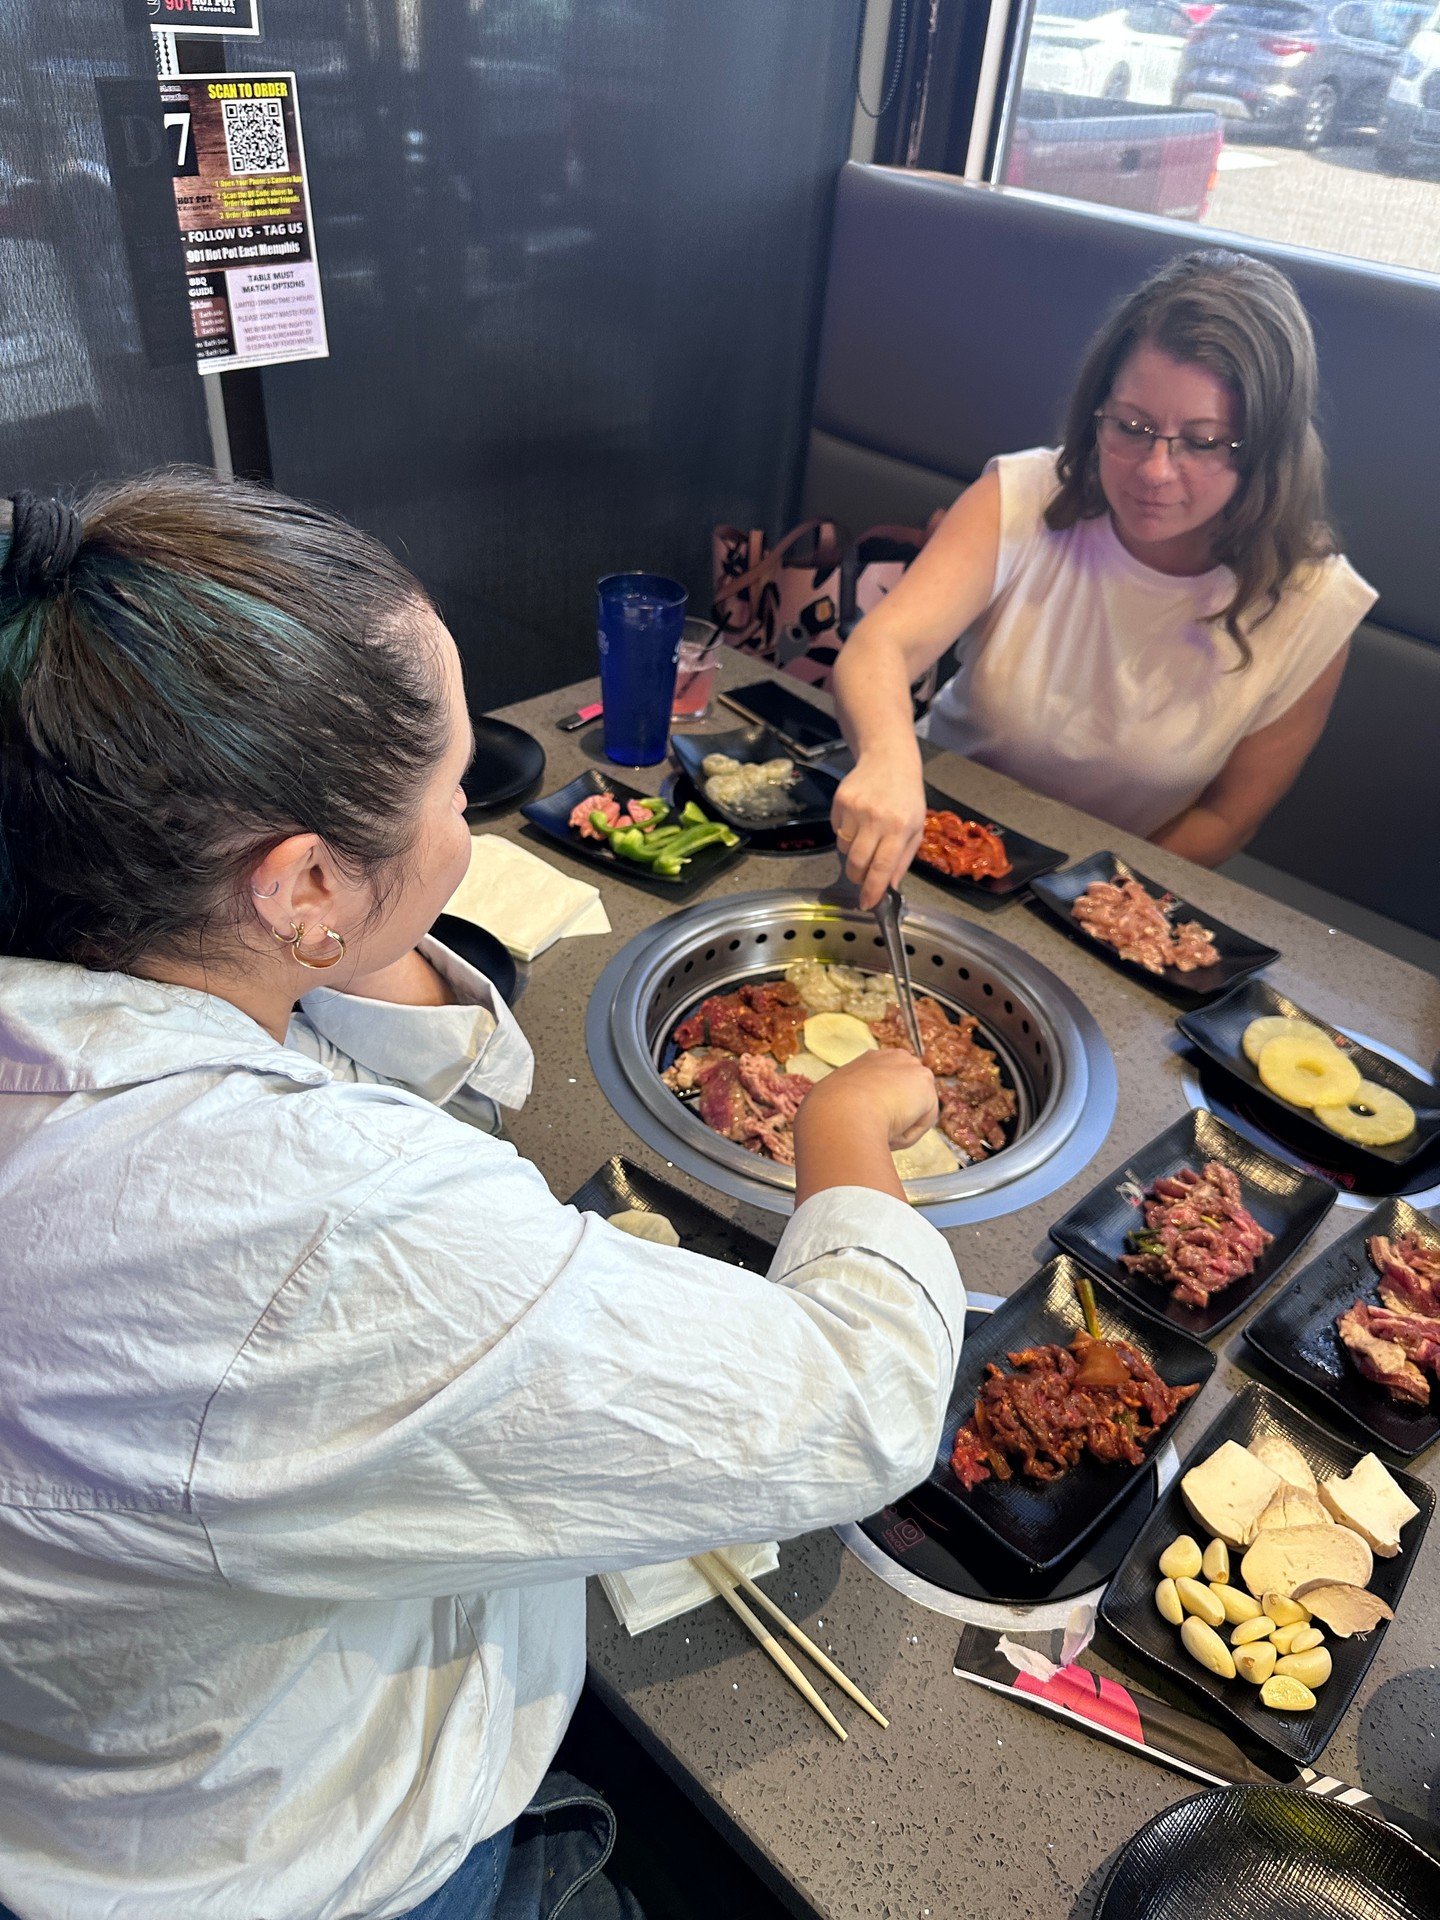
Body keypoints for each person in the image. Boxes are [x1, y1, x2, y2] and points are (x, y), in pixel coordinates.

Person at [0, 474, 963, 1920]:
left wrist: (330, 939)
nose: (465, 819)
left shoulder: (82, 961)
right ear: (298, 876)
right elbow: (859, 1403)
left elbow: (416, 1076)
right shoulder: (308, 1228)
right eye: (454, 791)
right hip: (320, 1870)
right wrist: (846, 1120)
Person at [830, 249, 1377, 909]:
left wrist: (1090, 902)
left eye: (1202, 442)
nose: (1152, 470)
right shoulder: (1028, 494)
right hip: (922, 832)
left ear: (1268, 449)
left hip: (1098, 892)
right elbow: (879, 648)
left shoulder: (1313, 604)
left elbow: (1229, 816)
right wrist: (889, 763)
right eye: (1132, 427)